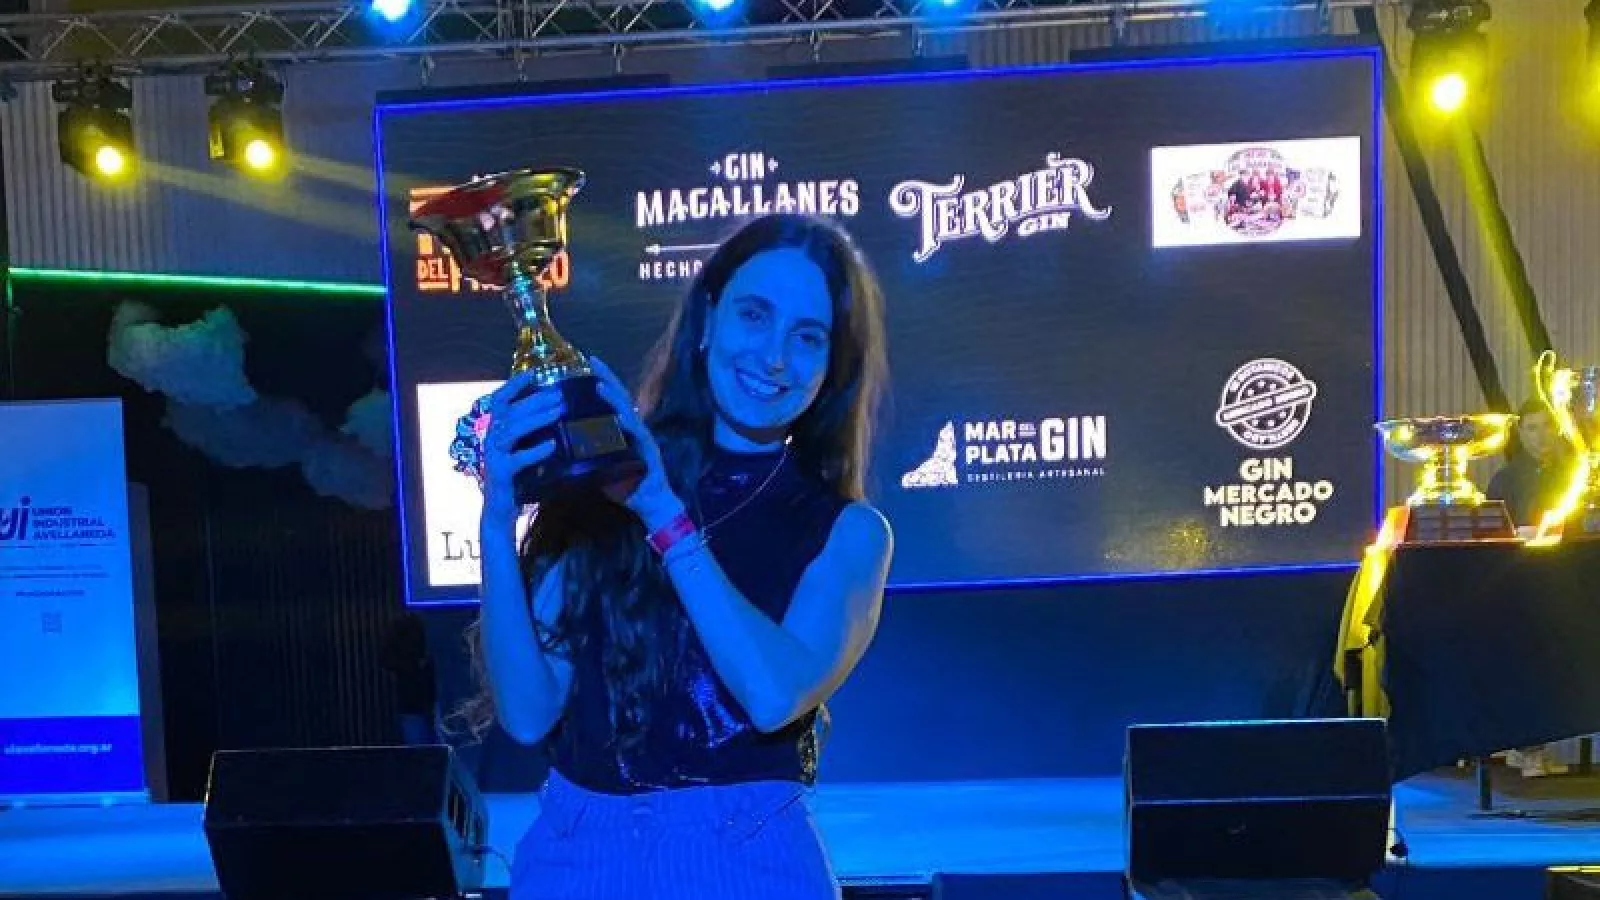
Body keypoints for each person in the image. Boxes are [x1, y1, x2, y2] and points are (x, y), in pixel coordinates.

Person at [462, 213, 893, 899]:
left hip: (749, 864)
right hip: (577, 858)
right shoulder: (604, 479)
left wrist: (663, 514)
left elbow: (772, 696)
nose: (775, 357)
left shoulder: (850, 532)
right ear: (708, 318)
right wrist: (495, 522)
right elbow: (528, 712)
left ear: (832, 366)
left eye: (808, 337)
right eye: (754, 315)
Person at [1486, 397, 1572, 529]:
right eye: (1532, 428)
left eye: (1547, 425)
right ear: (1521, 432)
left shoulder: (1572, 476)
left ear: (1557, 429)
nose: (1541, 435)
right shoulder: (1504, 481)